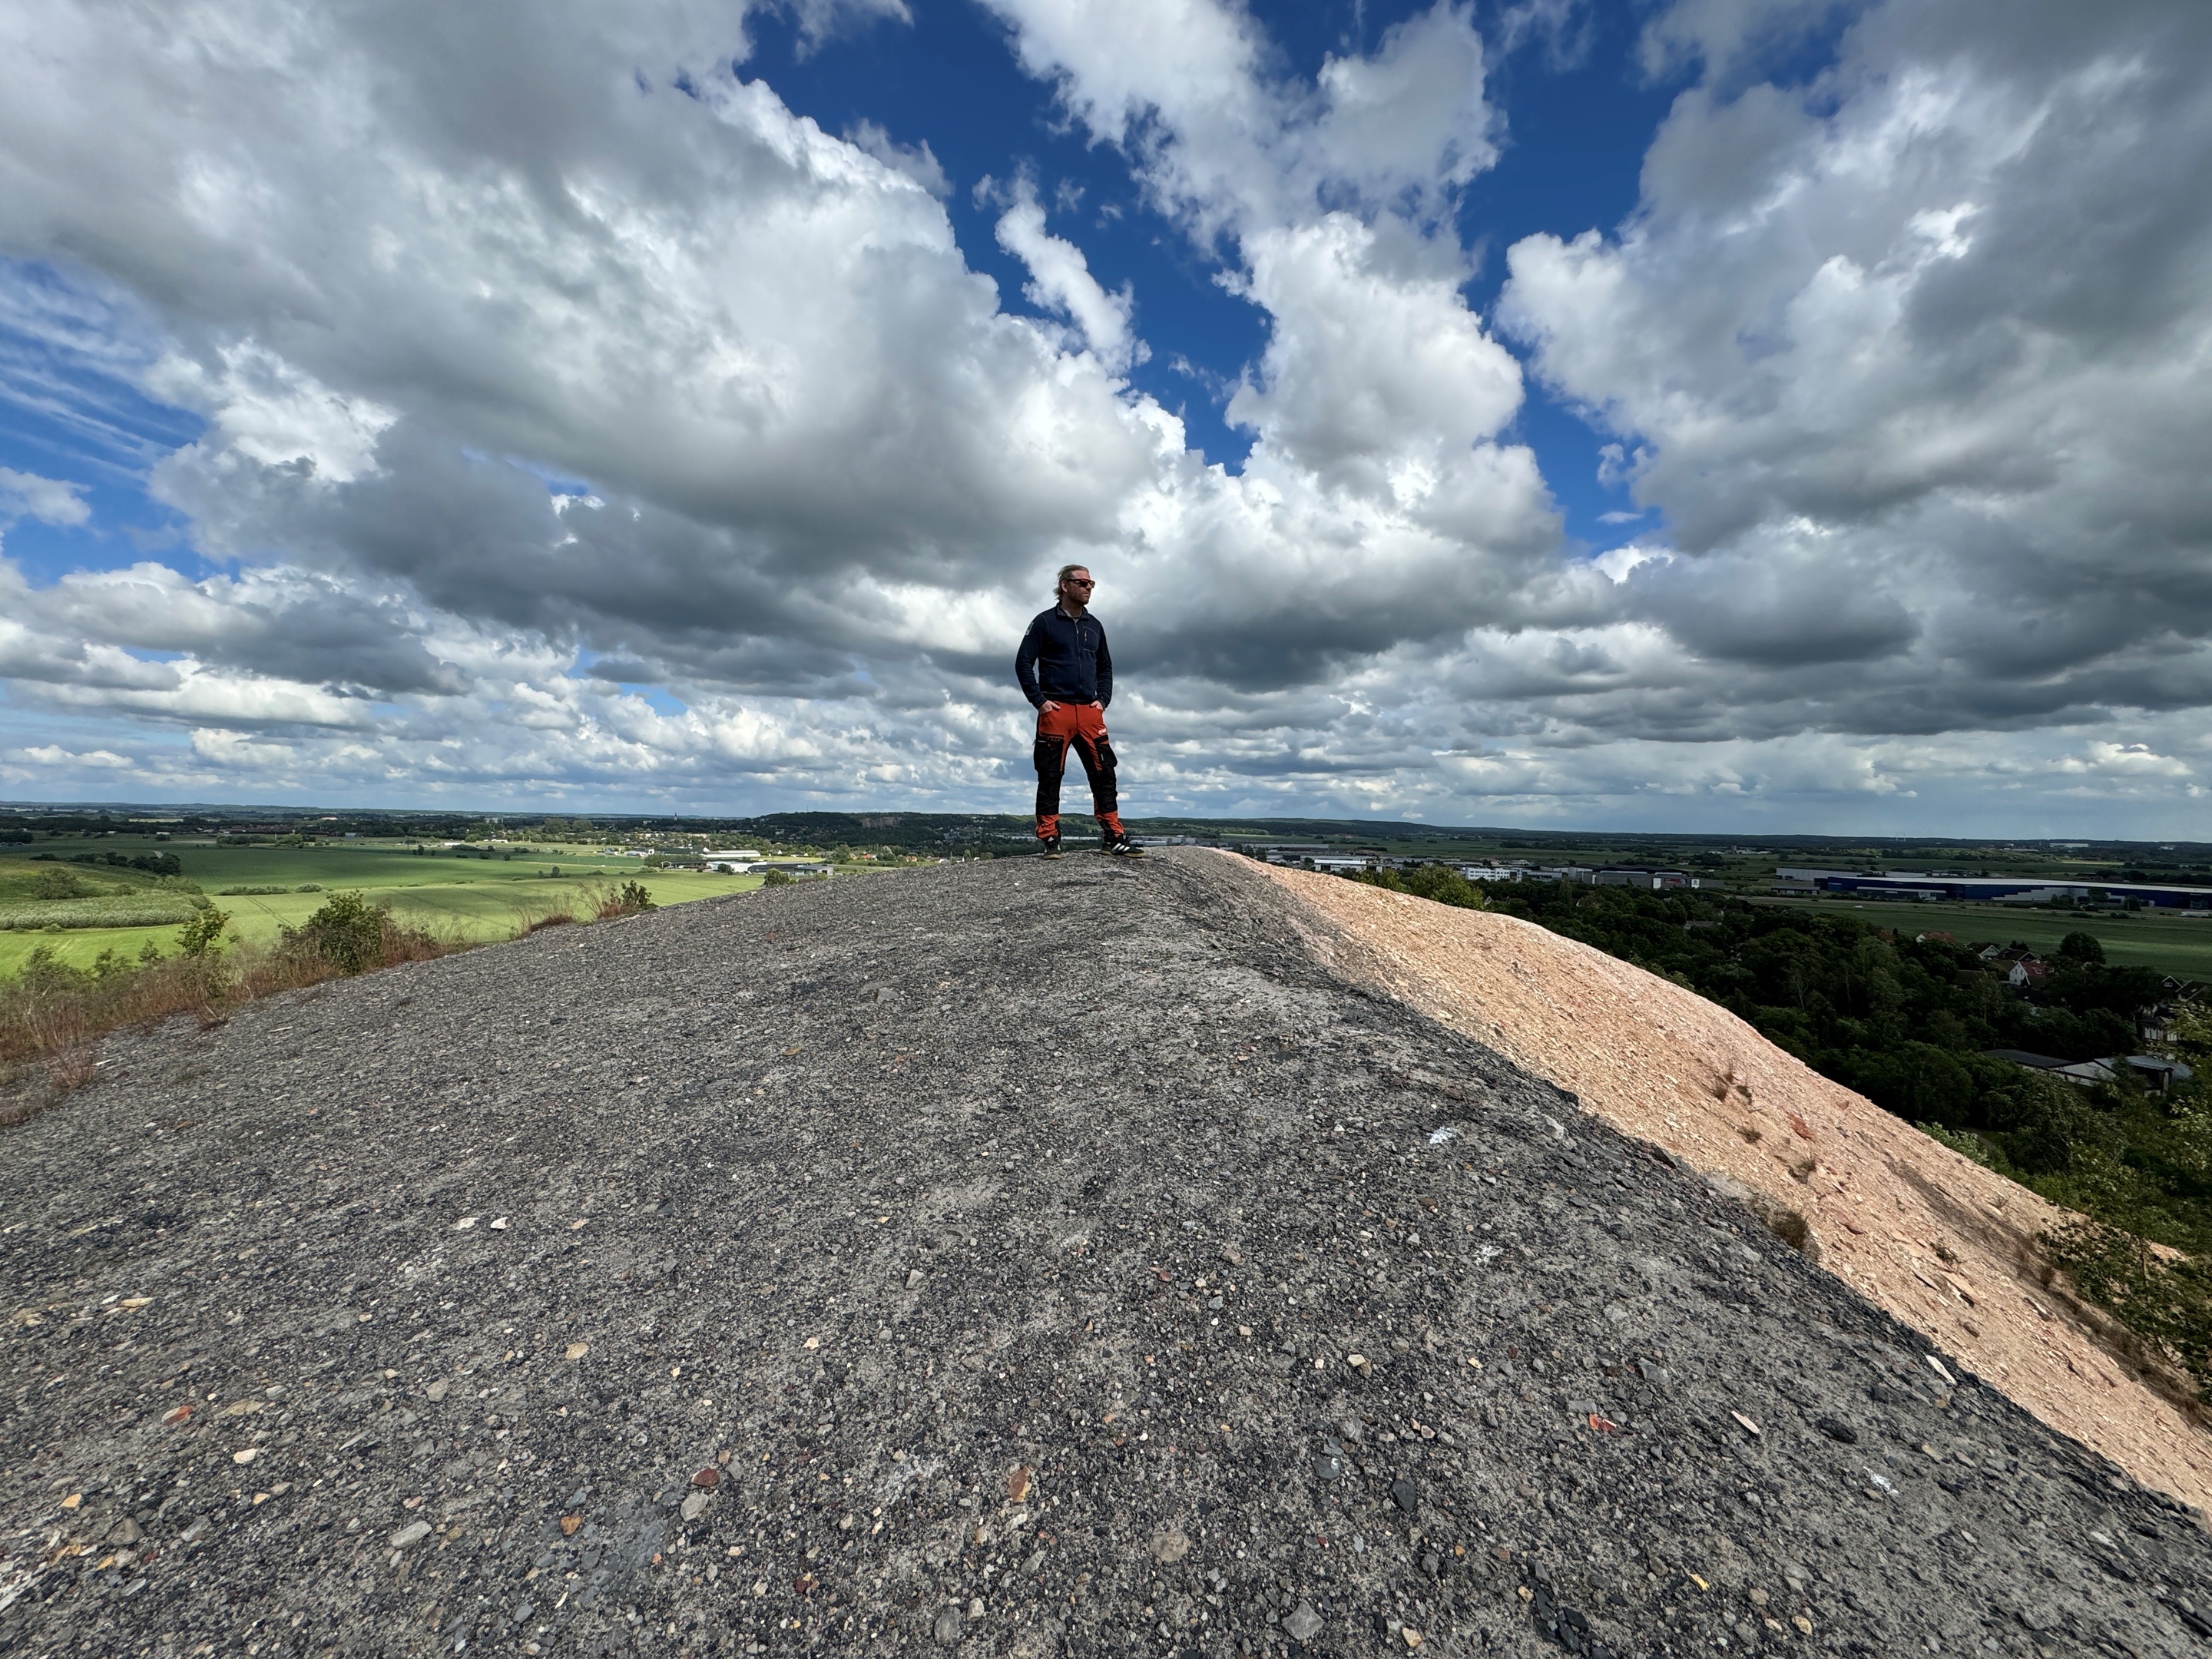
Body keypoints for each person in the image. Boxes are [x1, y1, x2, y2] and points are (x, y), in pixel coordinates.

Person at [1015, 564, 1142, 858]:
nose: (1088, 588)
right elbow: (1023, 662)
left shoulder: (1094, 626)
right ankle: (1050, 838)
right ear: (1064, 585)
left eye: (1091, 583)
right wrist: (1039, 701)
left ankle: (1113, 836)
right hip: (1055, 711)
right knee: (1050, 775)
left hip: (1089, 712)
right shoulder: (1045, 622)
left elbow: (1106, 666)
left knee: (1104, 774)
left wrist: (1104, 699)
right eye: (1082, 583)